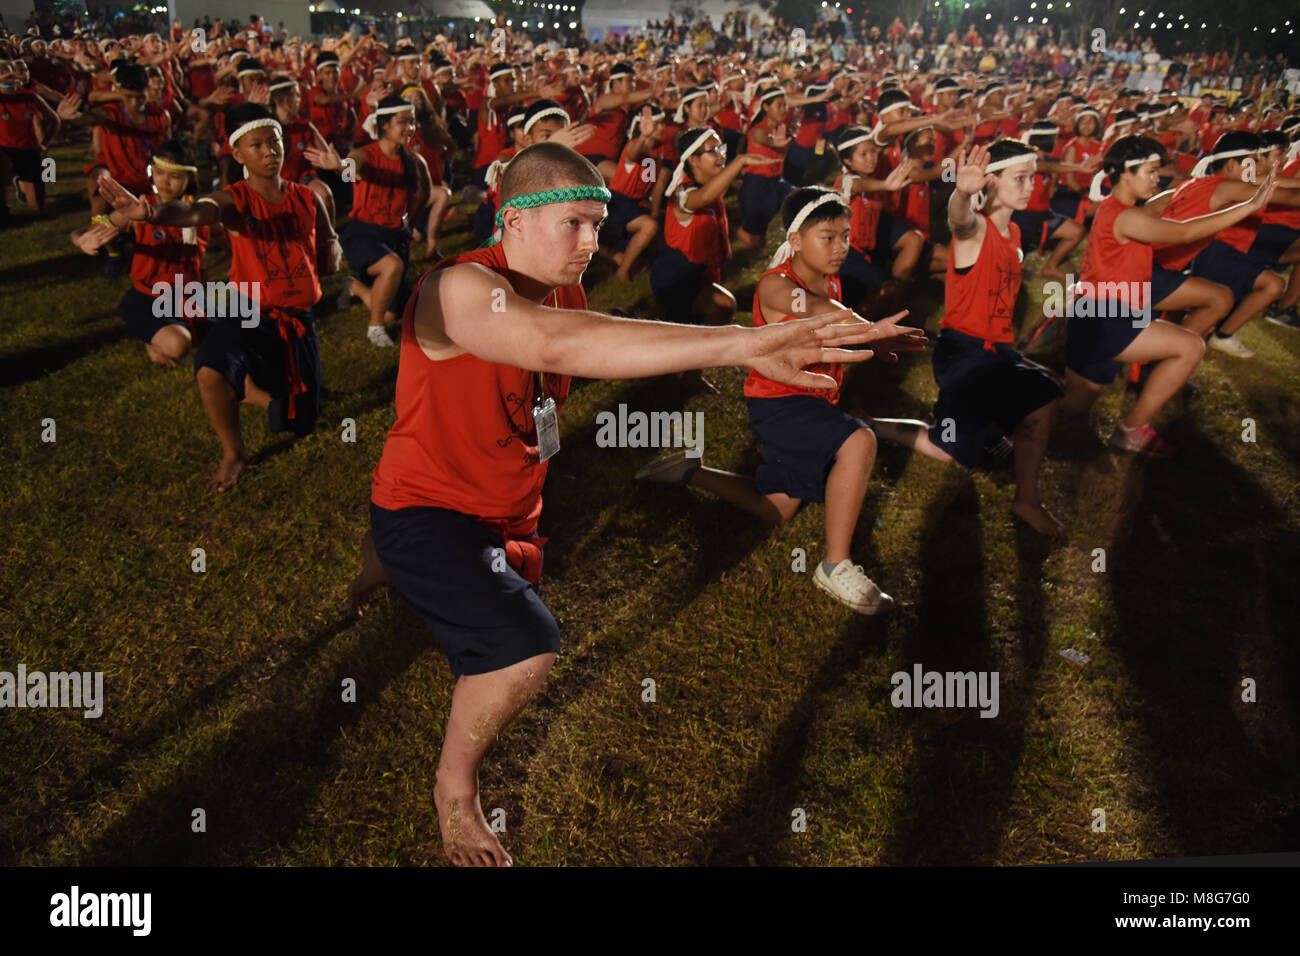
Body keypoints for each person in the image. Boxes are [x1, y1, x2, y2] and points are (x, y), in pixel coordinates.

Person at [348, 141, 888, 866]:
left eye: (598, 225)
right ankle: (455, 787)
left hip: (507, 508)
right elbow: (554, 347)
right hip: (431, 507)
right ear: (513, 219)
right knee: (522, 651)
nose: (591, 243)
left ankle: (376, 567)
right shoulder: (458, 286)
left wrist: (739, 348)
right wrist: (741, 343)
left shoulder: (565, 292)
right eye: (573, 223)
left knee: (419, 567)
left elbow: (594, 344)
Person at [640, 186, 926, 609]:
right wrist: (869, 330)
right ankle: (835, 566)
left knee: (775, 509)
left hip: (810, 400)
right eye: (828, 237)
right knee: (859, 439)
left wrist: (867, 337)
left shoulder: (828, 278)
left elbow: (828, 313)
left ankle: (689, 471)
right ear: (795, 240)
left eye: (846, 236)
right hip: (781, 403)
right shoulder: (777, 285)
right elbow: (815, 307)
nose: (841, 247)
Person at [95, 102, 342, 491]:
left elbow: (327, 246)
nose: (269, 151)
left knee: (299, 423)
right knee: (210, 370)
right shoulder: (232, 200)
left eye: (274, 142)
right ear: (238, 154)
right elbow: (197, 213)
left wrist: (330, 247)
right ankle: (233, 453)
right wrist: (151, 214)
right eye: (256, 145)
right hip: (247, 310)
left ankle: (256, 386)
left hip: (297, 320)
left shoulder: (308, 198)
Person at [871, 142, 1068, 536]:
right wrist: (961, 194)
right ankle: (869, 424)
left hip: (995, 352)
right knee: (947, 450)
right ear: (991, 182)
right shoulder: (975, 230)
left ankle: (1024, 496)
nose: (1031, 186)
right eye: (1020, 178)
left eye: (1033, 178)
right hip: (967, 356)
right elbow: (959, 221)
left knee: (1045, 391)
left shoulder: (1014, 232)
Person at [1061, 135, 1278, 457]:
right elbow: (1185, 232)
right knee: (1190, 346)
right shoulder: (1126, 216)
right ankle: (1131, 430)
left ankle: (1019, 393)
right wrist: (1250, 205)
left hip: (1099, 314)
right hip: (1106, 319)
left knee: (1074, 406)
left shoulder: (1118, 208)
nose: (1156, 178)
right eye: (1150, 172)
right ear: (1126, 173)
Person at [70, 139, 214, 367]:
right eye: (159, 173)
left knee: (231, 336)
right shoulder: (139, 210)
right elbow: (82, 231)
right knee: (179, 345)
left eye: (174, 176)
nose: (164, 182)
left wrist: (208, 272)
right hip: (148, 297)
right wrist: (81, 241)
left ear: (190, 178)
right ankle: (152, 340)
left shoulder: (201, 213)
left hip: (189, 295)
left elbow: (234, 248)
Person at [308, 94, 432, 347]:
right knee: (392, 266)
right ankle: (375, 328)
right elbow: (350, 168)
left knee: (392, 313)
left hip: (396, 236)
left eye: (412, 122)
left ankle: (354, 288)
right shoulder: (366, 154)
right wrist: (338, 166)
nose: (409, 128)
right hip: (364, 234)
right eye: (403, 122)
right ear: (384, 124)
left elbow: (425, 191)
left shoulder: (414, 161)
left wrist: (412, 223)